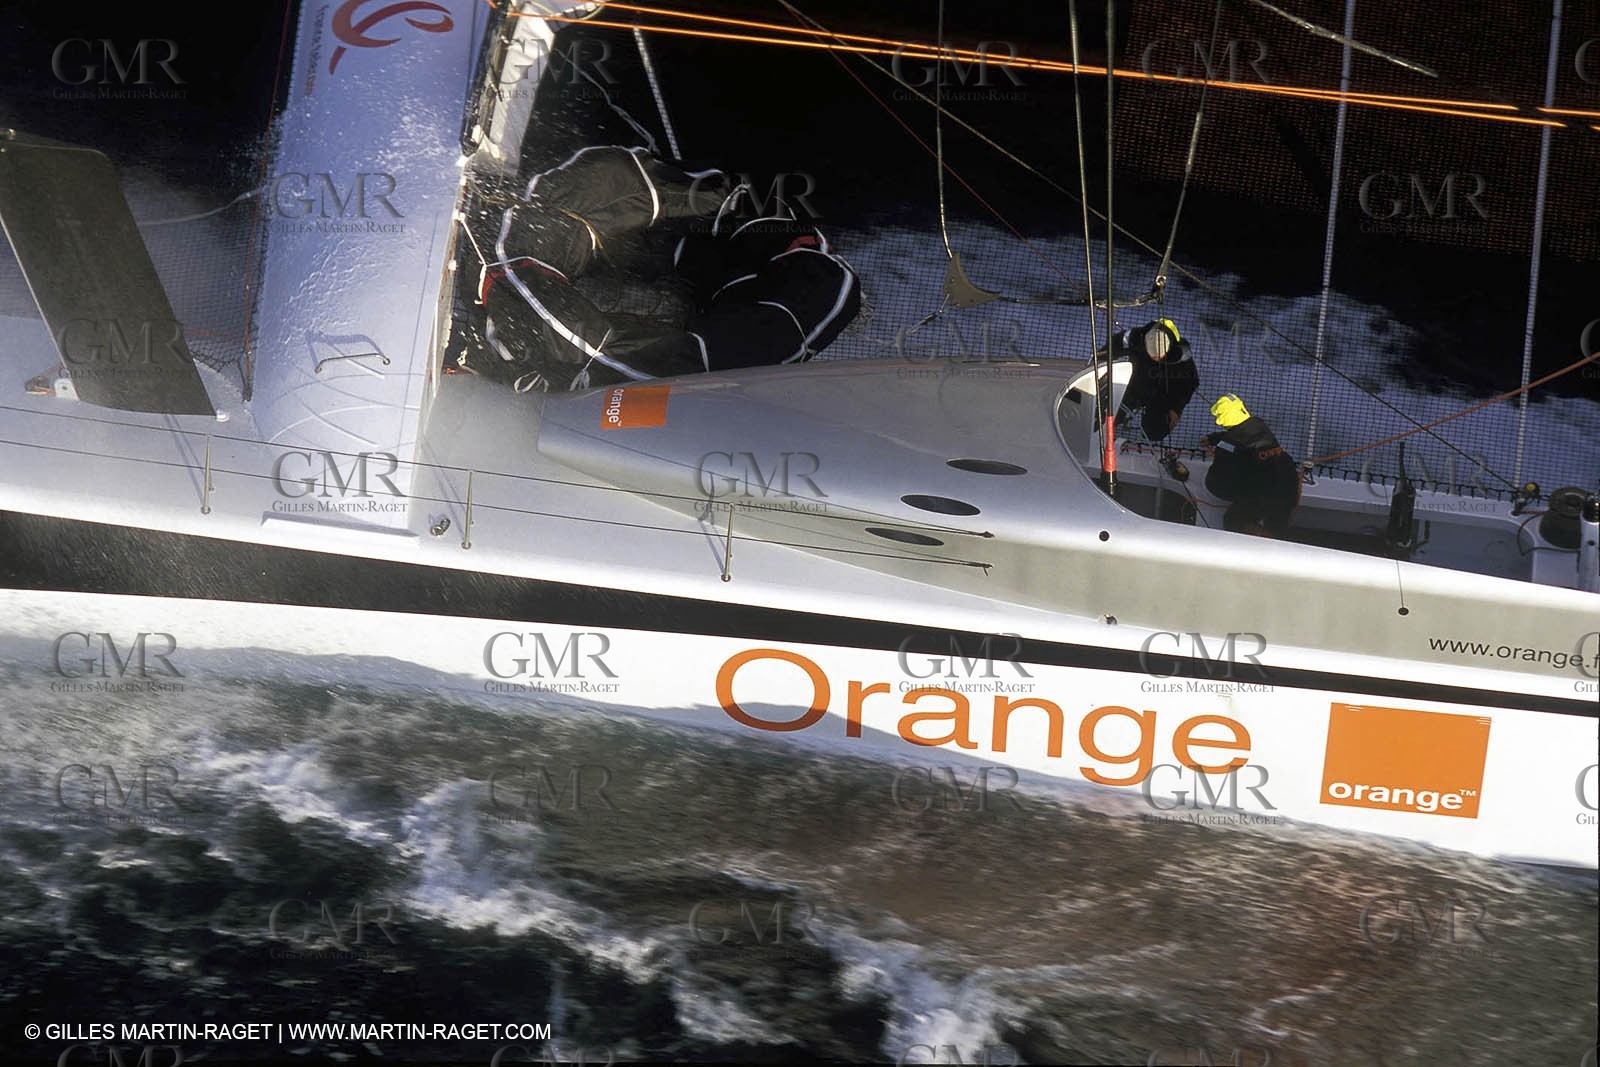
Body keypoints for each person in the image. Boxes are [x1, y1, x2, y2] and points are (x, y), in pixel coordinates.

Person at [1203, 394, 1301, 536]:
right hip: (1289, 483)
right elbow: (1243, 435)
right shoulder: (1258, 424)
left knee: (1233, 520)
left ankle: (1263, 540)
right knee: (1278, 526)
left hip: (1265, 494)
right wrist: (1214, 438)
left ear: (1222, 419)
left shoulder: (1227, 446)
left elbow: (1218, 481)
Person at [1108, 317, 1200, 442]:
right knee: (1107, 413)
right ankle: (1107, 432)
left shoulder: (1181, 354)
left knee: (1155, 432)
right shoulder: (1134, 337)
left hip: (1161, 395)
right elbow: (1110, 348)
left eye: (1160, 356)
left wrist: (1176, 408)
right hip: (1132, 387)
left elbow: (1189, 384)